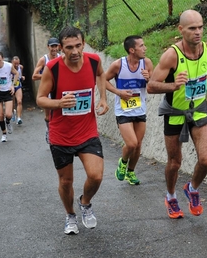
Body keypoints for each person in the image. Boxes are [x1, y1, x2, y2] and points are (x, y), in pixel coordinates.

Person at [147, 10, 207, 219]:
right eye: (192, 28)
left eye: (200, 27)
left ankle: (192, 188)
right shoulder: (172, 55)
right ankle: (170, 196)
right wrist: (173, 85)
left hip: (198, 110)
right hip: (175, 112)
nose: (198, 32)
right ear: (181, 30)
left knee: (206, 160)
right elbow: (151, 86)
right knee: (175, 162)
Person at [36, 26, 109, 235]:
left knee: (96, 176)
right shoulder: (53, 68)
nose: (75, 51)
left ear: (83, 43)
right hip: (61, 135)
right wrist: (59, 103)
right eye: (69, 47)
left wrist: (103, 98)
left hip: (87, 132)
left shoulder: (94, 60)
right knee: (66, 182)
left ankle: (85, 203)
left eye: (78, 46)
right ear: (61, 48)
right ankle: (70, 215)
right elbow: (40, 99)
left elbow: (102, 75)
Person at [105, 35, 153, 185]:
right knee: (131, 144)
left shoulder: (147, 63)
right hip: (123, 111)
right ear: (132, 50)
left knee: (138, 145)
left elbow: (154, 86)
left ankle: (130, 172)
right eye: (142, 46)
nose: (145, 48)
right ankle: (123, 162)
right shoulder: (118, 65)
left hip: (140, 109)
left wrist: (149, 79)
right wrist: (119, 93)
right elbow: (101, 80)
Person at [32, 37, 61, 144]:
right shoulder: (43, 59)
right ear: (48, 47)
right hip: (47, 91)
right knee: (48, 116)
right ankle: (49, 131)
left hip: (58, 90)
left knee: (60, 113)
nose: (54, 49)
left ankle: (58, 135)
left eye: (56, 46)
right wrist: (47, 76)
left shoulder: (61, 57)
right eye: (52, 46)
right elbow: (34, 76)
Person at [11, 56, 25, 125]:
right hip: (10, 86)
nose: (16, 65)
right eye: (15, 63)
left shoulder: (21, 67)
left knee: (19, 101)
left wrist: (22, 77)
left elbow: (20, 75)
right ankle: (13, 113)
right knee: (12, 103)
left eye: (17, 63)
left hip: (18, 85)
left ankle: (19, 118)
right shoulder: (9, 68)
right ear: (12, 62)